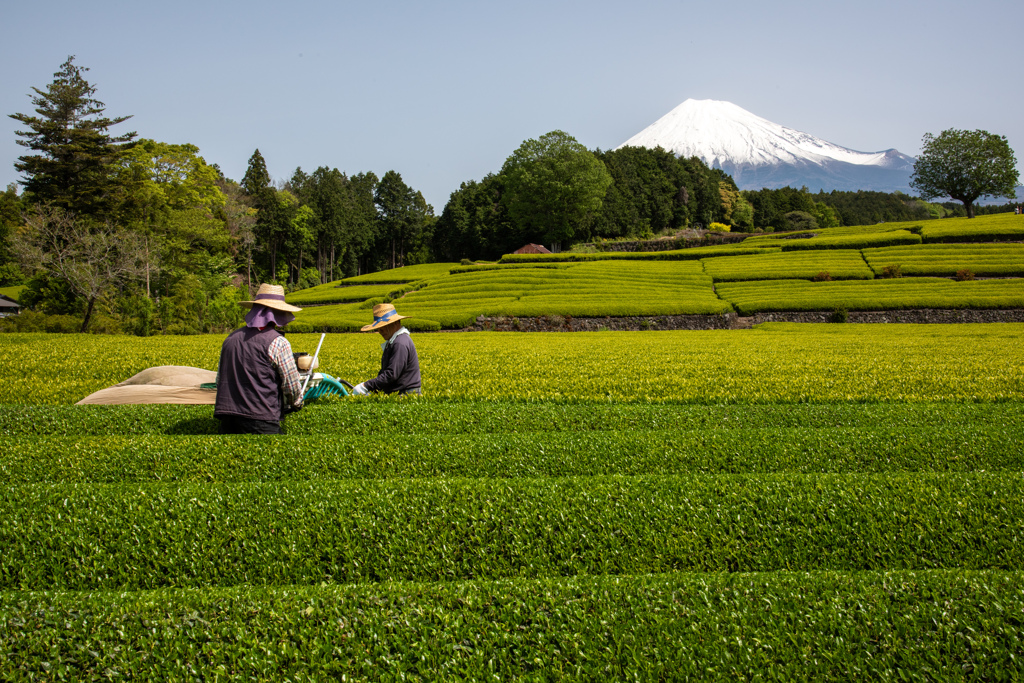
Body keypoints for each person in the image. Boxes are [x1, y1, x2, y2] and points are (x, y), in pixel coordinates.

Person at [214, 283, 304, 434]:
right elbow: (291, 385)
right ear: (278, 313)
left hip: (228, 420)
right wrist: (297, 403)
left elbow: (219, 380)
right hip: (261, 420)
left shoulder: (230, 339)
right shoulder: (278, 342)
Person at [351, 303, 421, 395]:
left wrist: (366, 386)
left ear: (395, 323)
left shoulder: (400, 342)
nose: (380, 331)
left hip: (405, 394)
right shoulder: (394, 341)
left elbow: (391, 375)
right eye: (378, 328)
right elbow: (385, 373)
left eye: (383, 327)